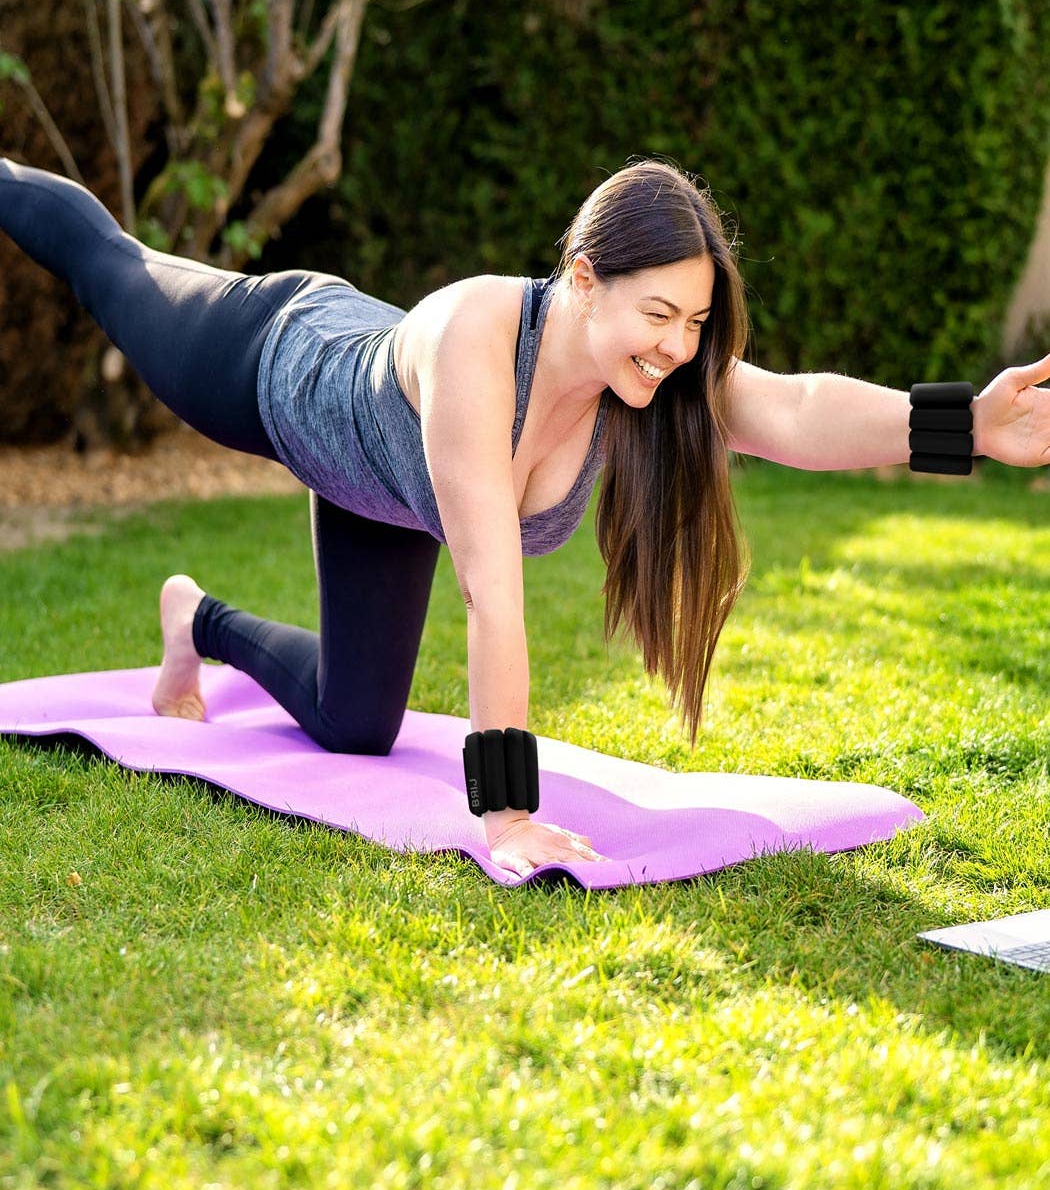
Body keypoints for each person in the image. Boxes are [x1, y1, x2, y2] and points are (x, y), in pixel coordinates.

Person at [2, 156, 1049, 878]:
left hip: (383, 494)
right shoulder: (476, 341)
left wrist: (966, 423)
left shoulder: (641, 378)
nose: (678, 346)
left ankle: (195, 619)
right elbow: (493, 604)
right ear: (584, 278)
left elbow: (794, 405)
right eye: (658, 315)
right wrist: (504, 812)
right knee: (110, 266)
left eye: (694, 322)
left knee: (357, 726)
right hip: (274, 358)